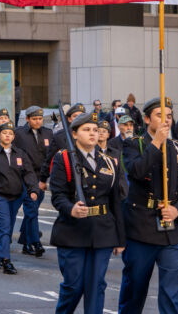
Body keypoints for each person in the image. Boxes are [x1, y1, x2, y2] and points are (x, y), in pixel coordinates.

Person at [118, 97, 178, 314]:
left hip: (173, 229)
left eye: (169, 116)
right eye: (160, 116)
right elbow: (136, 172)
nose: (166, 121)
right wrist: (156, 144)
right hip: (141, 227)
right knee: (135, 288)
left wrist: (177, 209)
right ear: (146, 119)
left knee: (172, 292)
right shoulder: (134, 144)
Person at [49, 112, 126, 314]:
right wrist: (71, 208)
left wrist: (120, 237)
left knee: (96, 286)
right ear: (74, 134)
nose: (93, 133)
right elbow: (57, 196)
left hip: (102, 231)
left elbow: (115, 200)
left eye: (95, 130)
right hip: (73, 231)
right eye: (86, 129)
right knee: (73, 286)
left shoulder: (109, 161)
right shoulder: (64, 159)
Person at [0, 122, 41, 275]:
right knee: (4, 225)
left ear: (13, 137)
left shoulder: (21, 154)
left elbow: (29, 173)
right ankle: (5, 260)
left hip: (16, 196)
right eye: (4, 133)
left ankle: (0, 253)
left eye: (10, 134)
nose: (7, 136)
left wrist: (33, 189)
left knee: (7, 226)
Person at [13, 106, 53, 257]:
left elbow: (50, 156)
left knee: (33, 210)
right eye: (34, 119)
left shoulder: (48, 133)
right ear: (28, 119)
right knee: (31, 209)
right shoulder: (19, 134)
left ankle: (25, 241)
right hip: (25, 177)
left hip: (41, 177)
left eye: (40, 119)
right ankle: (35, 242)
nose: (38, 121)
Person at [39, 104, 86, 188]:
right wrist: (43, 179)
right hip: (65, 180)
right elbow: (49, 159)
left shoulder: (90, 135)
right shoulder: (59, 136)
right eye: (75, 116)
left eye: (81, 116)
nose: (79, 118)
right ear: (69, 119)